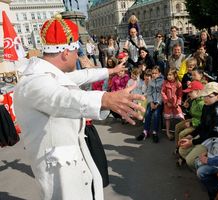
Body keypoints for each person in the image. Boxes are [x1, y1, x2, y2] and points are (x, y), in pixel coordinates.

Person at [13, 14, 145, 200]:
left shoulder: (49, 74)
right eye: (77, 51)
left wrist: (109, 71)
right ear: (66, 52)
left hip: (69, 163)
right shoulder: (34, 82)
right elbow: (62, 99)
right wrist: (105, 99)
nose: (78, 56)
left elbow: (82, 76)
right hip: (60, 174)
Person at [178, 82, 218, 169]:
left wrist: (192, 142)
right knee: (182, 150)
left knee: (190, 160)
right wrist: (191, 136)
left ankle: (200, 169)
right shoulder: (206, 106)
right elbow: (202, 125)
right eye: (204, 95)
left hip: (211, 141)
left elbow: (212, 134)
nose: (205, 98)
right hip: (203, 137)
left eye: (209, 96)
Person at [136, 66, 164, 143]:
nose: (154, 75)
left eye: (156, 73)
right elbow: (149, 92)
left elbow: (162, 93)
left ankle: (154, 132)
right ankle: (145, 132)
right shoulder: (151, 81)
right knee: (147, 113)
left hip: (159, 102)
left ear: (159, 73)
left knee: (156, 114)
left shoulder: (163, 82)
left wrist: (158, 103)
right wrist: (151, 102)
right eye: (153, 73)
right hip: (151, 101)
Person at [174, 81, 205, 149]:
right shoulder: (194, 100)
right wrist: (186, 108)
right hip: (194, 120)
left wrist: (191, 123)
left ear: (198, 91)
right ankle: (178, 147)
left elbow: (203, 121)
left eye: (191, 92)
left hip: (197, 125)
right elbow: (192, 114)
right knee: (177, 126)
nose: (188, 94)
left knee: (182, 134)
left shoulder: (202, 103)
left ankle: (182, 150)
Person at [161, 68, 184, 140]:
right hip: (167, 104)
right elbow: (163, 92)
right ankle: (168, 132)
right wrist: (166, 102)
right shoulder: (165, 82)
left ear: (175, 75)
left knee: (181, 117)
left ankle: (183, 132)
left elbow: (180, 94)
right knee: (167, 118)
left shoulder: (178, 83)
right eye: (168, 74)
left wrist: (178, 103)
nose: (168, 76)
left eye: (170, 75)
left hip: (175, 104)